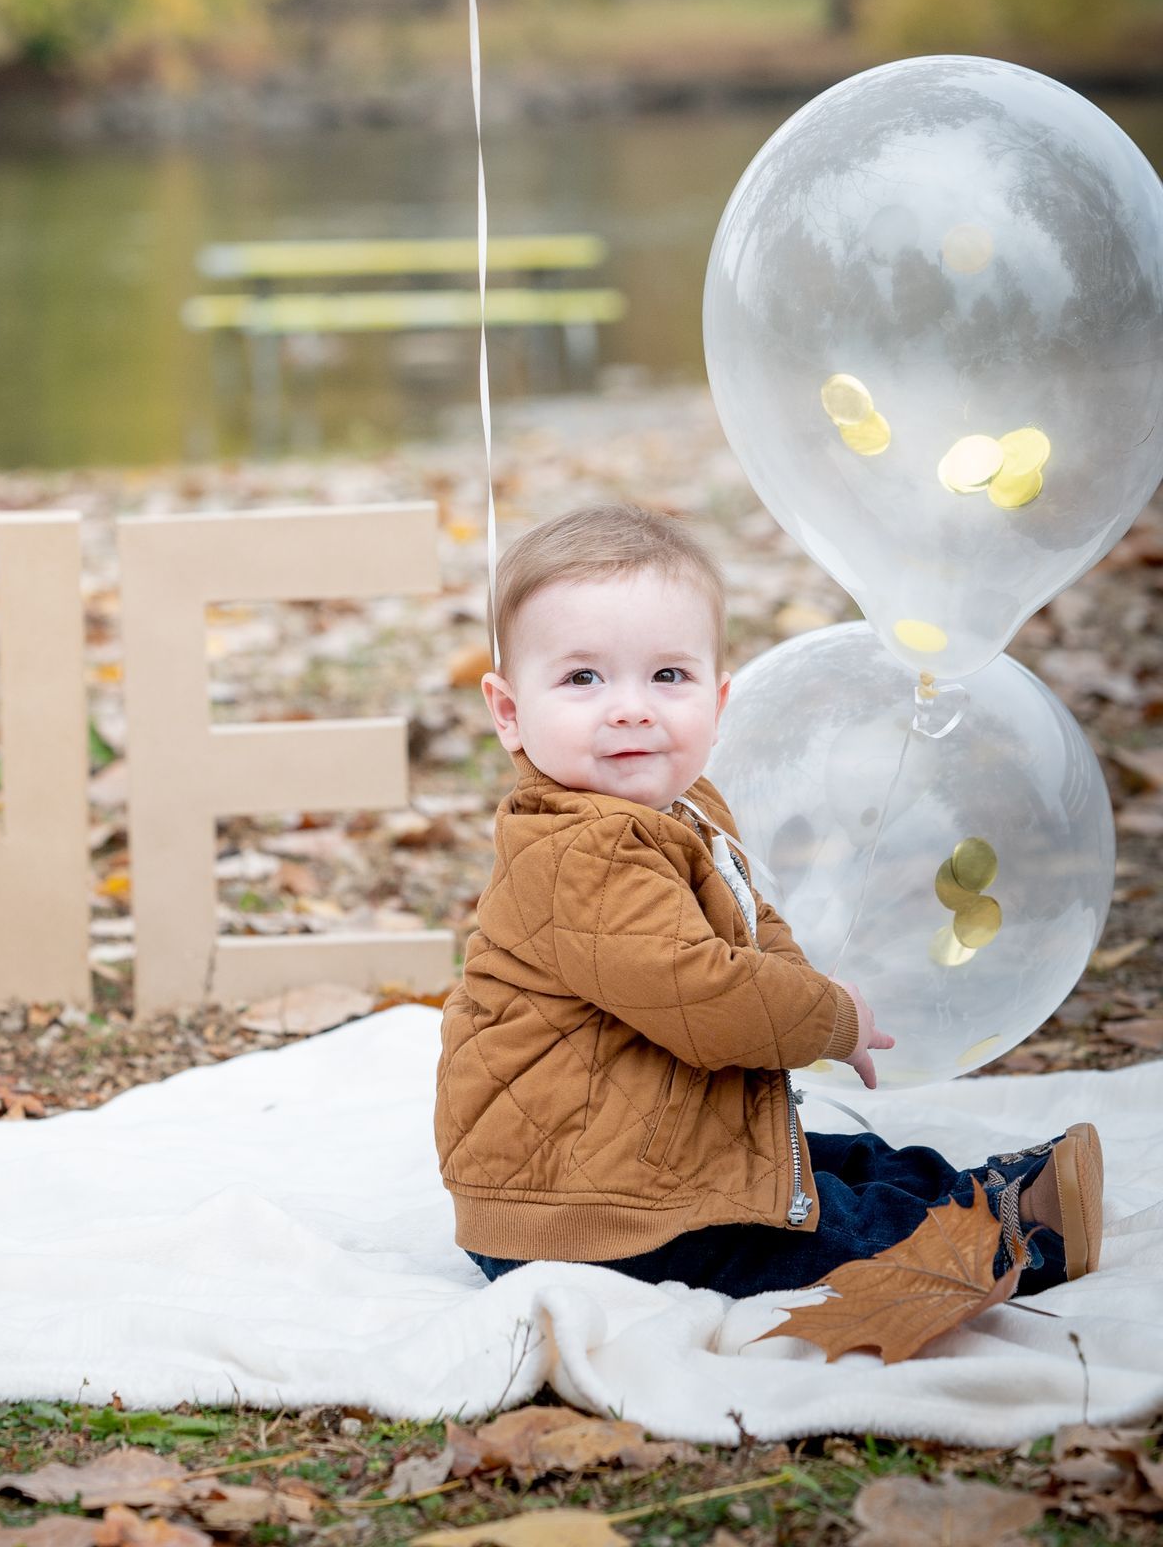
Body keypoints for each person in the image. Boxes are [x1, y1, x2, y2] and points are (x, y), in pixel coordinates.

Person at [435, 502, 1102, 1303]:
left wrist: (802, 987)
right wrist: (827, 1018)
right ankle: (1001, 1238)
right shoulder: (585, 849)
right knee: (805, 1233)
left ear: (717, 704)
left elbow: (754, 923)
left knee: (814, 1159)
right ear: (509, 713)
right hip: (584, 1214)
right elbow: (702, 991)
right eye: (583, 678)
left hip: (623, 1141)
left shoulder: (682, 805)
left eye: (667, 676)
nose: (632, 707)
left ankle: (967, 1188)